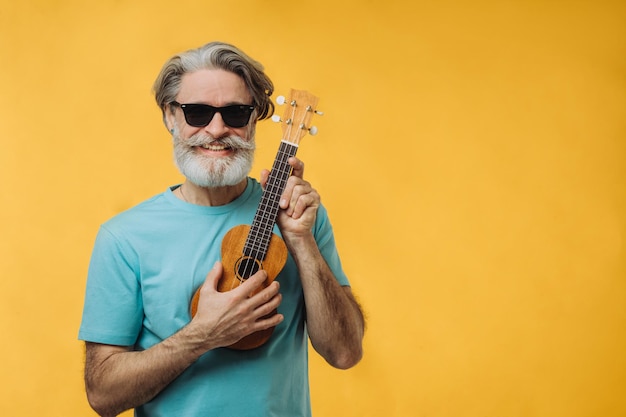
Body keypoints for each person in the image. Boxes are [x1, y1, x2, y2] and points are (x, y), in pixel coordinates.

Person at [78, 41, 365, 417]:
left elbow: (345, 353)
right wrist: (203, 334)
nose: (217, 129)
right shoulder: (124, 238)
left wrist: (300, 241)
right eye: (197, 113)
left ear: (254, 120)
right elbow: (102, 395)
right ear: (170, 116)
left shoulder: (298, 216)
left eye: (235, 113)